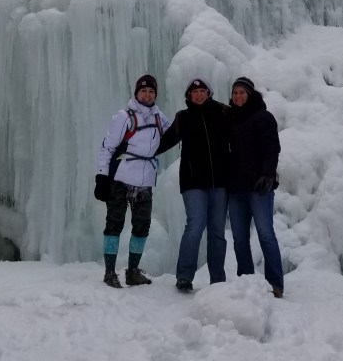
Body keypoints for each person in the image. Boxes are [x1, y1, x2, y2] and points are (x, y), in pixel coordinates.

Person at [94, 74, 171, 289]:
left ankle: (133, 271)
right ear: (136, 93)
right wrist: (101, 176)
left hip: (145, 180)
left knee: (141, 227)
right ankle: (110, 272)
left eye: (151, 91)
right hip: (120, 178)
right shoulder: (124, 117)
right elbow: (107, 147)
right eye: (143, 91)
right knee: (114, 224)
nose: (147, 95)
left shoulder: (159, 118)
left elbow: (173, 132)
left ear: (155, 94)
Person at [158, 77, 230, 292]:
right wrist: (134, 152)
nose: (198, 94)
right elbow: (163, 143)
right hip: (193, 183)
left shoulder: (223, 112)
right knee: (195, 226)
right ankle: (184, 276)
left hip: (220, 182)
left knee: (217, 231)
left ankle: (218, 280)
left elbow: (240, 137)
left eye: (202, 90)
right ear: (188, 96)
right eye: (194, 91)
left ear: (209, 93)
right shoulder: (183, 118)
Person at [227, 76, 284, 298]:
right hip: (236, 189)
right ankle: (246, 281)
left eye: (242, 92)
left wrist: (268, 174)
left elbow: (272, 147)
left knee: (265, 233)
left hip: (259, 187)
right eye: (235, 93)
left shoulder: (263, 117)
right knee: (240, 238)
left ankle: (275, 283)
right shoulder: (230, 119)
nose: (238, 96)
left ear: (250, 94)